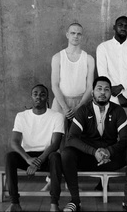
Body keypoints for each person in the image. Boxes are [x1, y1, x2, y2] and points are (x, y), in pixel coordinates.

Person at [61, 76, 127, 212]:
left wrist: (109, 151)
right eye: (99, 89)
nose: (103, 92)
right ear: (92, 92)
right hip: (88, 157)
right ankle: (75, 201)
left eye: (106, 89)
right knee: (66, 153)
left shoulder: (118, 110)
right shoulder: (83, 110)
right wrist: (94, 152)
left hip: (111, 157)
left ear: (111, 93)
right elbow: (72, 138)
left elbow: (125, 139)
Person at [41, 22, 95, 191]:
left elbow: (90, 87)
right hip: (61, 102)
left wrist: (79, 106)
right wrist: (64, 107)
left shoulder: (89, 58)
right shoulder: (57, 57)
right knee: (56, 140)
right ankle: (52, 179)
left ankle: (71, 176)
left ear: (82, 36)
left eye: (79, 33)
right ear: (67, 34)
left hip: (82, 103)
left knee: (76, 140)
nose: (76, 36)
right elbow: (55, 84)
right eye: (73, 33)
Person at [96, 15, 127, 191]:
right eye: (120, 25)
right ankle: (103, 180)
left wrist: (122, 88)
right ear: (114, 27)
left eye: (126, 26)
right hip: (108, 101)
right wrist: (116, 97)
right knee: (107, 138)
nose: (123, 27)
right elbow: (103, 74)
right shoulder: (103, 48)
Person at [4, 84, 65, 212]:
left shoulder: (57, 116)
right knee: (10, 157)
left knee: (56, 156)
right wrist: (27, 159)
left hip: (47, 156)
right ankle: (15, 203)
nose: (38, 97)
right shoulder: (21, 116)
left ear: (47, 98)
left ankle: (54, 204)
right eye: (35, 94)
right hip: (28, 157)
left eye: (42, 94)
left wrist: (38, 162)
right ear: (31, 97)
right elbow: (14, 142)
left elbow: (55, 144)